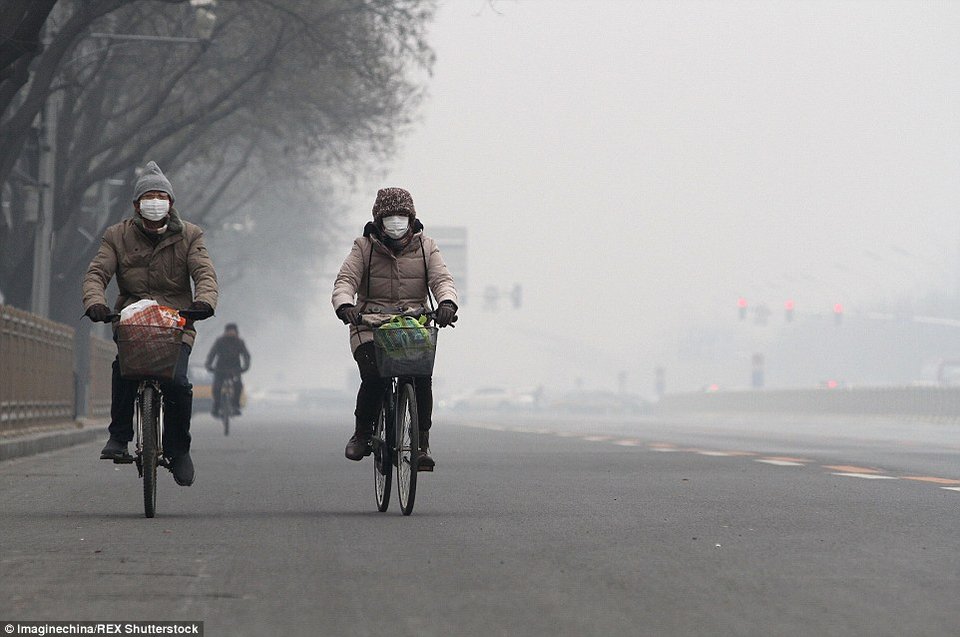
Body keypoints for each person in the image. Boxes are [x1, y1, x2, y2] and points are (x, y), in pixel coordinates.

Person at [82, 161, 218, 487]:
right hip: (132, 321)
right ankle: (118, 437)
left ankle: (178, 449)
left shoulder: (190, 235)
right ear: (136, 205)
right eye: (149, 197)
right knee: (123, 370)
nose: (155, 202)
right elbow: (96, 274)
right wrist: (95, 303)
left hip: (176, 322)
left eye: (161, 197)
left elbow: (205, 273)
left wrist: (204, 303)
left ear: (171, 203)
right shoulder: (117, 236)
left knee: (179, 384)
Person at [332, 187, 458, 468]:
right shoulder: (363, 247)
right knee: (374, 376)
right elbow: (345, 281)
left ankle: (421, 443)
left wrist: (447, 304)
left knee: (421, 377)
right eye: (390, 217)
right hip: (370, 326)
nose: (396, 222)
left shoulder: (427, 247)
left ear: (411, 218)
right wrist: (345, 306)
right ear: (378, 220)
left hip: (414, 325)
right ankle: (363, 433)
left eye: (402, 216)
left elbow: (442, 280)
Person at [205, 323, 251, 417]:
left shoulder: (240, 342)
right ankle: (216, 406)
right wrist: (209, 364)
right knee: (217, 387)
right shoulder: (220, 341)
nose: (231, 333)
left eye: (232, 331)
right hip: (220, 369)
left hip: (235, 369)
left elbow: (246, 355)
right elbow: (212, 354)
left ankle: (235, 405)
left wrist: (245, 366)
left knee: (238, 385)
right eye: (229, 331)